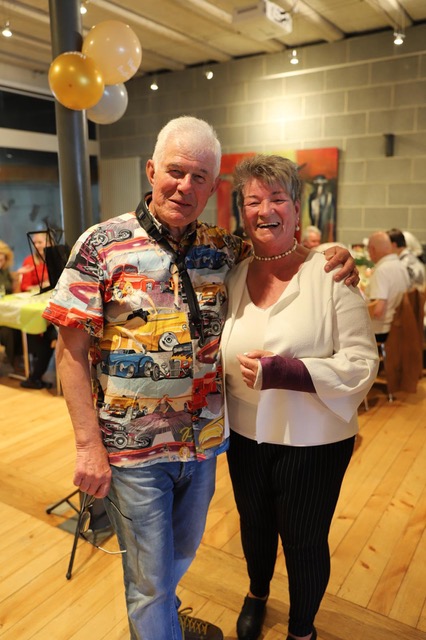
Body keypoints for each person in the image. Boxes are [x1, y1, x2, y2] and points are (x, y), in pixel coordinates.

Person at [42, 117, 358, 640]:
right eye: (175, 171)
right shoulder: (100, 244)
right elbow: (70, 351)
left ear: (213, 188)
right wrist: (86, 446)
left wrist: (332, 252)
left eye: (200, 177)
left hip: (204, 445)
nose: (184, 187)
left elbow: (280, 249)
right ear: (151, 171)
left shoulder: (224, 248)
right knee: (149, 582)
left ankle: (166, 623)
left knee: (178, 558)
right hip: (134, 452)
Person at [221, 154, 379, 640]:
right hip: (244, 434)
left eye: (277, 198)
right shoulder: (234, 274)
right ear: (241, 211)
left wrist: (288, 372)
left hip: (313, 440)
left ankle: (302, 629)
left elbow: (362, 363)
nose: (265, 210)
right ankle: (257, 593)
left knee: (304, 540)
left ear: (296, 207)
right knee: (254, 525)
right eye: (253, 201)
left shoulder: (330, 272)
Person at [17, 232, 56, 389]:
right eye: (35, 242)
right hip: (35, 308)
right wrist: (42, 285)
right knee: (47, 335)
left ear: (50, 243)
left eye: (40, 242)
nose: (37, 245)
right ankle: (35, 377)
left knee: (50, 333)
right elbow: (24, 286)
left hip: (50, 307)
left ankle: (35, 377)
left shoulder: (55, 260)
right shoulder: (29, 261)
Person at [367, 231, 410, 341]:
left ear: (372, 249)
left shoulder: (382, 270)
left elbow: (378, 311)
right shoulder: (400, 265)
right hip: (398, 326)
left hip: (381, 330)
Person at [0, 240, 22, 372]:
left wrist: (16, 279)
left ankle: (18, 360)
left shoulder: (5, 272)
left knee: (22, 326)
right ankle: (12, 362)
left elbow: (15, 292)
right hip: (2, 320)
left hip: (8, 314)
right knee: (9, 332)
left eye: (1, 255)